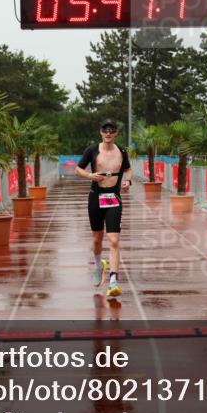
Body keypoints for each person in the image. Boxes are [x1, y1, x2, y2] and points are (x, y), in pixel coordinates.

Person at [76, 119, 132, 299]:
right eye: (105, 130)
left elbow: (129, 170)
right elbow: (78, 169)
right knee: (97, 239)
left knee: (114, 240)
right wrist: (90, 175)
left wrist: (127, 181)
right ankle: (99, 265)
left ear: (116, 133)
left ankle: (113, 281)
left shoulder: (122, 152)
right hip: (95, 198)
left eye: (112, 130)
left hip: (113, 198)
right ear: (100, 132)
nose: (108, 133)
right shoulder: (92, 150)